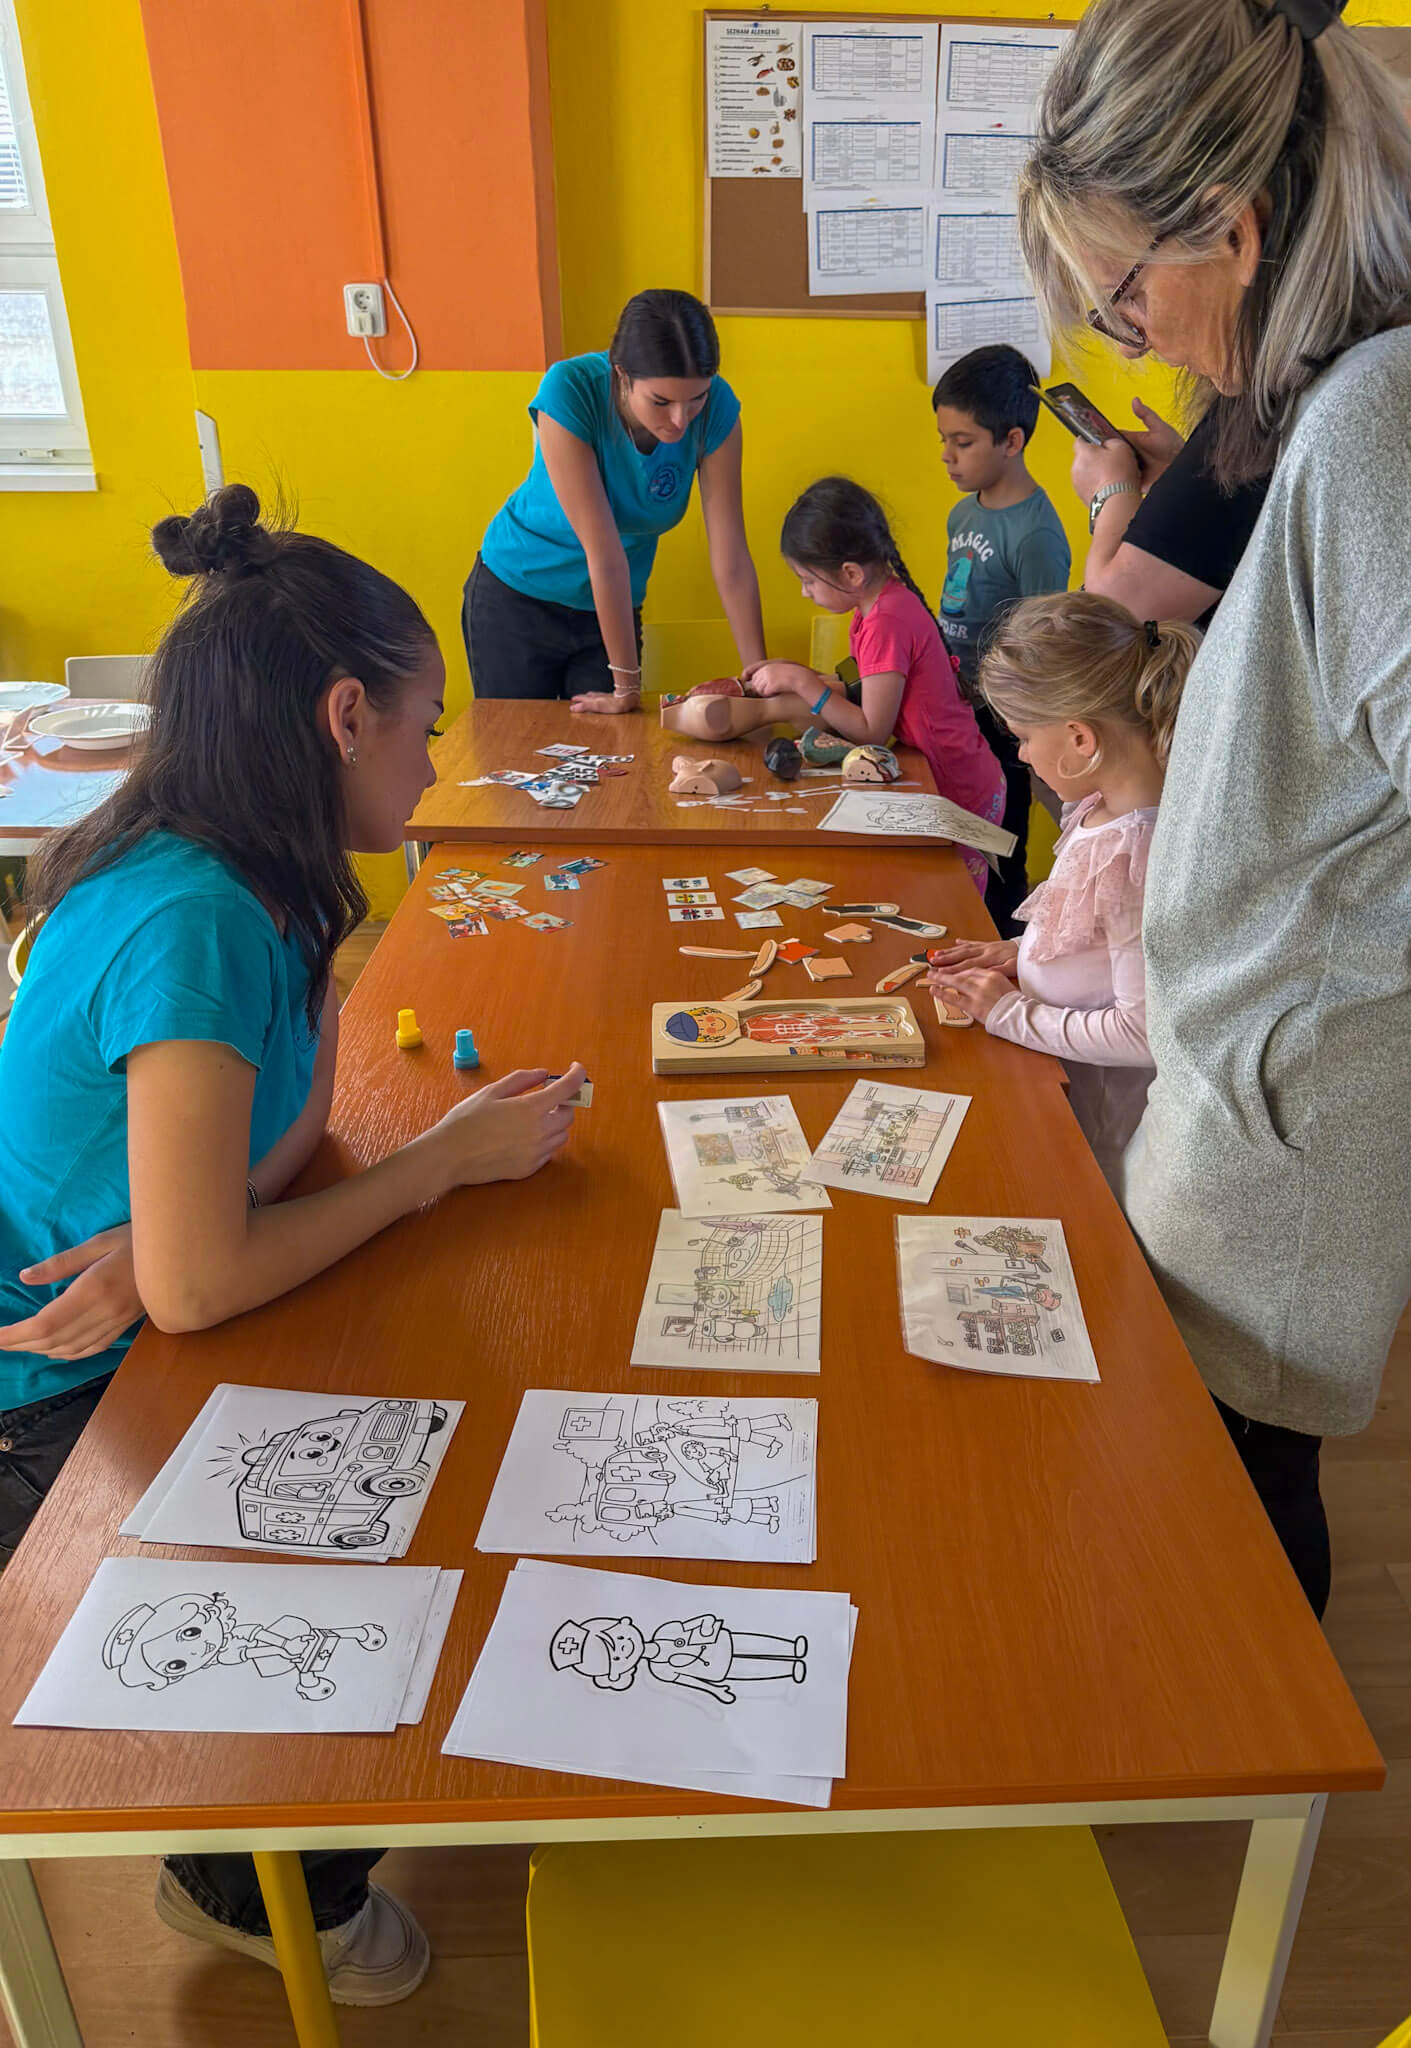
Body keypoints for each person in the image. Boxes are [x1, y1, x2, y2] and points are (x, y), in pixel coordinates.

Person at [0, 483, 586, 2001]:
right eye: (424, 726)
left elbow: (295, 1131)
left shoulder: (264, 877)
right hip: (46, 1401)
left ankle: (273, 1835)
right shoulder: (190, 913)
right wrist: (434, 1165)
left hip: (147, 1313)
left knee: (457, 1386)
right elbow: (209, 1281)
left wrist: (186, 1238)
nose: (434, 761)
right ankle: (249, 1886)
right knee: (387, 1522)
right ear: (343, 715)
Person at [1017, 0, 1411, 1620]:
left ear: (1231, 230)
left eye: (1124, 293)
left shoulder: (1393, 426)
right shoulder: (1392, 396)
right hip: (1276, 1084)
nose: (1134, 340)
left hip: (1303, 1118)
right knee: (1225, 1454)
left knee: (1234, 1477)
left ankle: (1241, 1720)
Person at [928, 592, 1198, 1177]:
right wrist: (1022, 952)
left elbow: (1141, 1034)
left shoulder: (1133, 857)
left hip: (1093, 1131)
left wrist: (1007, 1012)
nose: (1023, 755)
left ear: (1080, 740)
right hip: (1052, 1078)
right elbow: (1096, 949)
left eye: (1024, 737)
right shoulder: (1101, 810)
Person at [662, 478, 1005, 895]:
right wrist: (796, 673)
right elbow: (862, 689)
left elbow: (871, 730)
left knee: (952, 905)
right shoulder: (876, 606)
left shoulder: (886, 622)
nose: (804, 593)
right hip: (935, 775)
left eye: (808, 581)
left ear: (850, 573)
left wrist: (802, 682)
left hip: (956, 786)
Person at [465, 288, 766, 711]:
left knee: (611, 744)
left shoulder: (718, 409)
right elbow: (604, 553)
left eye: (696, 398)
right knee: (515, 742)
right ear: (622, 374)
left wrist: (760, 681)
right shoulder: (570, 390)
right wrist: (626, 689)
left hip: (612, 605)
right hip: (518, 595)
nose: (681, 420)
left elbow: (731, 558)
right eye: (661, 401)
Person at [932, 343, 1071, 915]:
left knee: (1001, 846)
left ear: (1012, 441)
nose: (947, 456)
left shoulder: (1037, 535)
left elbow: (1042, 646)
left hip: (1006, 717)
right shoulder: (963, 513)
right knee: (957, 833)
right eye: (944, 439)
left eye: (963, 443)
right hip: (956, 703)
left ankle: (1006, 938)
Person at [1068, 394, 1271, 630]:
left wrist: (1109, 491)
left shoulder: (1258, 401)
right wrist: (1179, 474)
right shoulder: (1251, 401)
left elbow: (1118, 614)